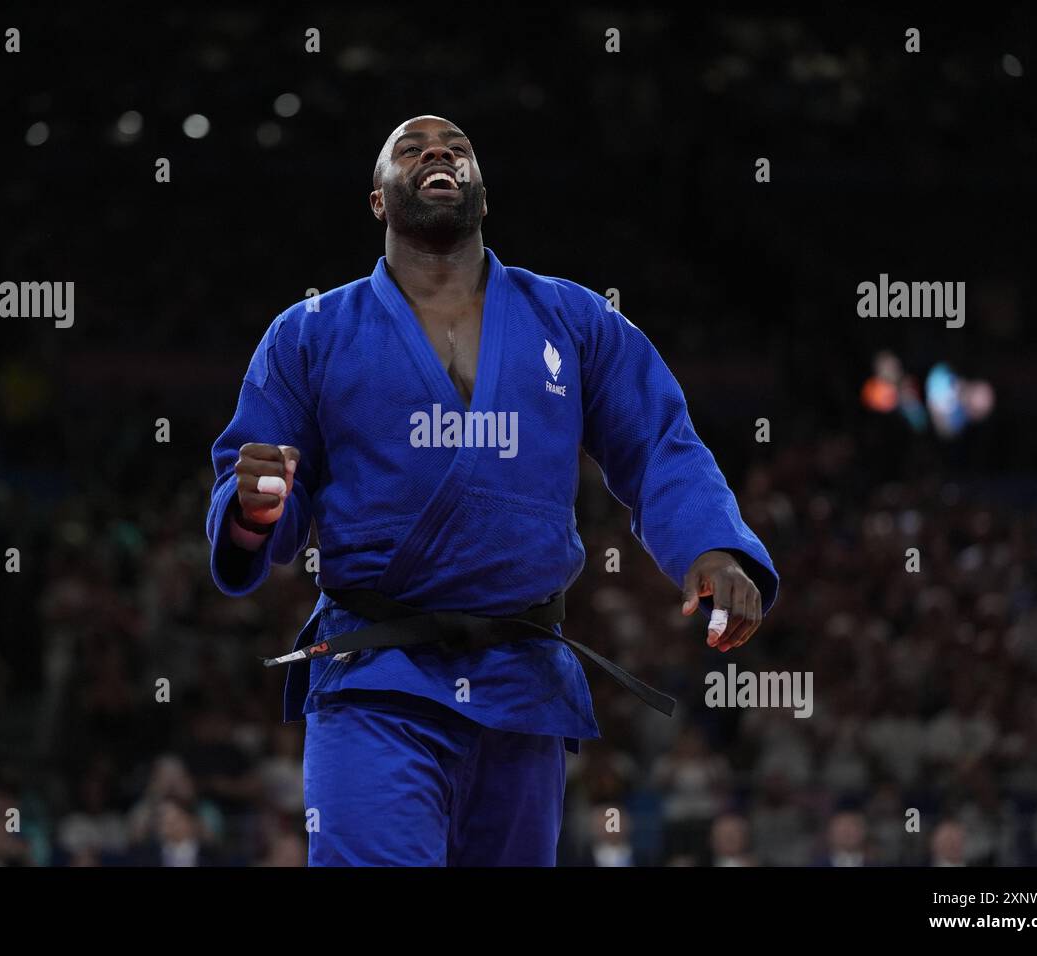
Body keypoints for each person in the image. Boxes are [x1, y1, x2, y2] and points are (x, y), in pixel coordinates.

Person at [207, 115, 778, 866]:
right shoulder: (308, 332)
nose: (437, 154)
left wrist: (711, 545)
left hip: (521, 682)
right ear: (378, 199)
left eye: (457, 149)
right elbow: (251, 492)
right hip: (377, 682)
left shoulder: (573, 320)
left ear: (483, 191)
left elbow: (658, 442)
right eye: (410, 150)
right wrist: (253, 510)